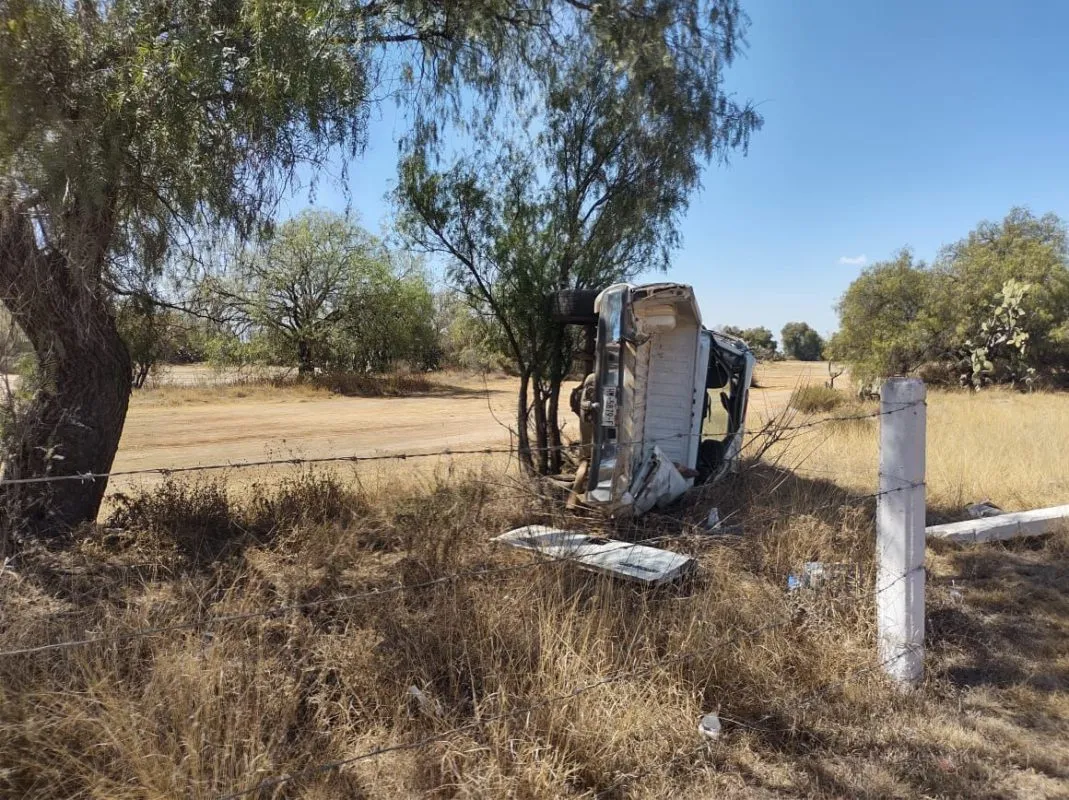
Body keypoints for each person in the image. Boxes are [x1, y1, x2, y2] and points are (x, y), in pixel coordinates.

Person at [567, 372, 598, 507]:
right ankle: (573, 501)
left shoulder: (592, 377)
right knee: (586, 463)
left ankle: (575, 501)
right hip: (590, 432)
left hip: (588, 430)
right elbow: (586, 404)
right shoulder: (594, 378)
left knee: (585, 464)